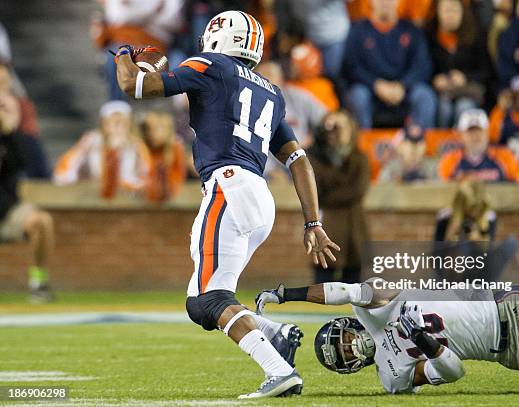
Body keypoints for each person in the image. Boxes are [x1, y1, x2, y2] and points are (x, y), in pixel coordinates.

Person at [114, 10, 340, 399]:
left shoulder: (210, 63)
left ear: (218, 38)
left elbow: (136, 87)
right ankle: (276, 334)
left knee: (211, 297)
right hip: (259, 198)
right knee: (199, 303)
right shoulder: (271, 90)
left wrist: (121, 51)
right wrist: (312, 222)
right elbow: (298, 160)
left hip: (228, 186)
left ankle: (278, 370)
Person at [254, 280, 519, 394]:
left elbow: (345, 290)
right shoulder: (391, 376)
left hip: (506, 304)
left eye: (343, 341)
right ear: (349, 367)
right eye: (344, 355)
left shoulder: (371, 308)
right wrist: (428, 345)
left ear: (346, 327)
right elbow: (454, 372)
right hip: (514, 354)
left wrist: (289, 293)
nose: (350, 348)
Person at [343, 0, 437, 129]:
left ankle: (418, 144)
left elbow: (422, 66)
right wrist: (375, 84)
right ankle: (361, 146)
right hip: (371, 91)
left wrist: (403, 85)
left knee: (425, 96)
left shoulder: (412, 30)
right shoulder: (357, 30)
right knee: (357, 96)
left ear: (398, 2)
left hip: (404, 91)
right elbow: (351, 67)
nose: (385, 2)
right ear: (371, 2)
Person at [0, 91, 54, 302]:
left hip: (7, 211)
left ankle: (38, 282)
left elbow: (26, 163)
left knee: (41, 222)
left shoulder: (14, 139)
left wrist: (9, 132)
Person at [308, 110, 370, 284]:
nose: (334, 131)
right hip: (328, 224)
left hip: (354, 227)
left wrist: (330, 194)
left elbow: (358, 190)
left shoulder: (359, 159)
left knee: (354, 284)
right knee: (323, 279)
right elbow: (315, 190)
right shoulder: (316, 158)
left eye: (340, 127)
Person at [54, 101, 151, 199]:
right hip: (94, 194)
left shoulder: (136, 145)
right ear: (103, 124)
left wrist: (135, 185)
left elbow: (148, 173)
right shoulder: (91, 141)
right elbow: (64, 171)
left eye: (122, 122)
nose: (117, 126)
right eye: (112, 122)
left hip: (128, 195)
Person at [426, 0, 492, 127]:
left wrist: (465, 78)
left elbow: (487, 71)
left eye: (455, 10)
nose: (450, 15)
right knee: (443, 108)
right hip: (441, 92)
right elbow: (423, 67)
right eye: (446, 10)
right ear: (437, 12)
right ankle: (440, 144)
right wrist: (434, 80)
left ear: (463, 12)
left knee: (463, 107)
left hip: (468, 91)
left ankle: (460, 145)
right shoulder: (428, 35)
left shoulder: (475, 34)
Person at [438, 109, 519, 183]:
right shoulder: (450, 160)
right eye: (470, 131)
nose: (476, 136)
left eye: (479, 130)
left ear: (487, 132)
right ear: (461, 134)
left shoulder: (505, 157)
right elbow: (443, 190)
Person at [140, 111, 186, 203]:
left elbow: (179, 179)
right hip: (146, 199)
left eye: (156, 129)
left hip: (169, 199)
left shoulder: (175, 148)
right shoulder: (142, 146)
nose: (151, 133)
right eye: (149, 129)